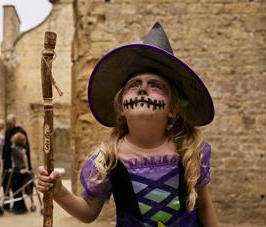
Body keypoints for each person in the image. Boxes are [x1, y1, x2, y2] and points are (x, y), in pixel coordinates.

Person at [36, 22, 218, 226]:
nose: (143, 89)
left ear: (173, 109)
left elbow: (204, 206)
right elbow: (88, 212)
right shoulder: (108, 157)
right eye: (134, 85)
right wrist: (59, 192)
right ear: (121, 107)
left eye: (155, 85)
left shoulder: (190, 152)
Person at [2, 114, 32, 211]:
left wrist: (26, 168)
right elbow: (5, 147)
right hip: (9, 164)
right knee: (6, 184)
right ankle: (7, 204)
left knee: (16, 186)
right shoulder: (7, 132)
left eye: (10, 123)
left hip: (19, 167)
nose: (8, 124)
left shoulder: (20, 132)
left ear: (14, 122)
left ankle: (19, 206)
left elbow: (25, 153)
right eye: (7, 123)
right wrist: (5, 160)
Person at [10, 132, 30, 214]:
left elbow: (24, 157)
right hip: (18, 170)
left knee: (16, 189)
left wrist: (26, 168)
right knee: (17, 189)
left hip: (19, 170)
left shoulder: (16, 148)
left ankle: (21, 208)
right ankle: (16, 207)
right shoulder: (20, 148)